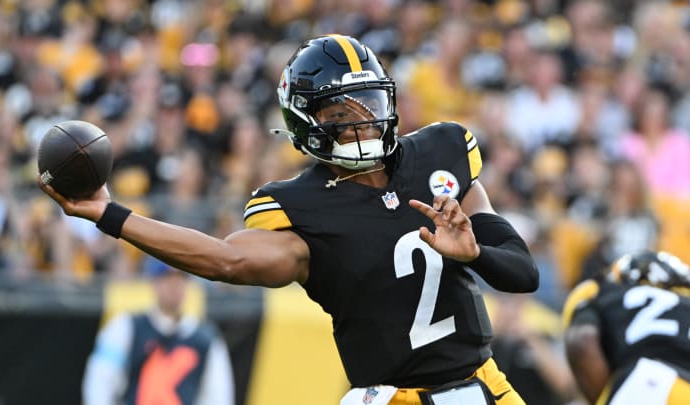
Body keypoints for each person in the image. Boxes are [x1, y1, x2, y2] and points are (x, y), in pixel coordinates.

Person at [41, 35, 539, 405]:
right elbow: (226, 261)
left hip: (485, 386)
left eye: (368, 104)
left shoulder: (440, 153)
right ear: (306, 124)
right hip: (393, 398)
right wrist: (110, 214)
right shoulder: (303, 207)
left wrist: (476, 254)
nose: (361, 121)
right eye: (339, 115)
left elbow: (522, 272)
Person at [82, 257, 235, 405]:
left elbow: (219, 395)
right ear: (153, 281)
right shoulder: (125, 327)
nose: (174, 285)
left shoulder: (206, 338)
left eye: (180, 278)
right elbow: (99, 382)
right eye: (167, 277)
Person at [562, 250, 690, 404]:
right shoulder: (684, 303)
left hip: (648, 384)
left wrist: (603, 397)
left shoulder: (602, 291)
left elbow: (581, 341)